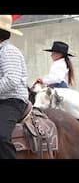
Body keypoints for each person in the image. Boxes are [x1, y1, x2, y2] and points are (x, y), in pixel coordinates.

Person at [0, 15, 29, 159]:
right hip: (3, 99)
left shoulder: (8, 51)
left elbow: (12, 80)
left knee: (1, 136)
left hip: (12, 100)